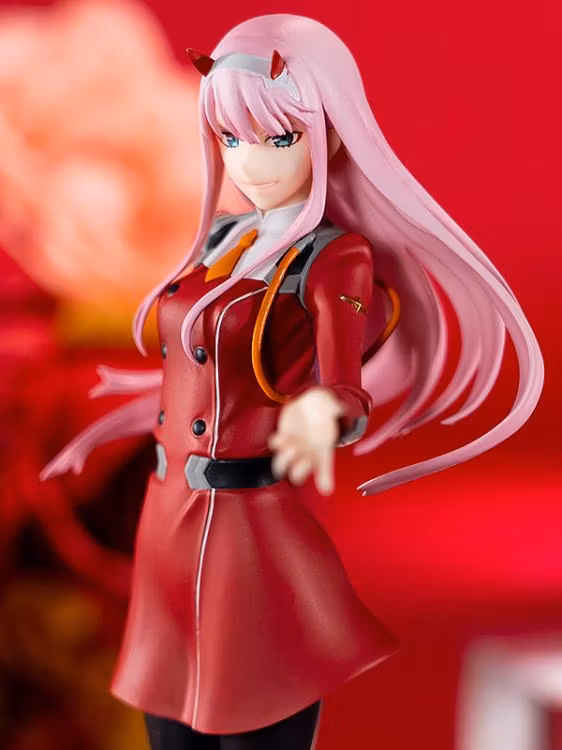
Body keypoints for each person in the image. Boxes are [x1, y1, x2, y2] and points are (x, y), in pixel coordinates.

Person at [39, 13, 544, 750]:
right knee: (167, 723)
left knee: (254, 711)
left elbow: (343, 378)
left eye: (278, 140)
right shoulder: (219, 241)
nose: (251, 163)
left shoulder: (333, 259)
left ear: (329, 135)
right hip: (167, 527)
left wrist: (321, 413)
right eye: (232, 138)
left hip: (246, 530)